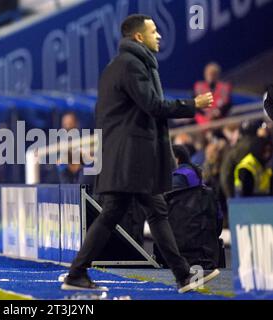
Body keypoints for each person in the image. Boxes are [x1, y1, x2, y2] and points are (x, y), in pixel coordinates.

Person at [61, 14, 219, 293]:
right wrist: (192, 104)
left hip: (124, 156)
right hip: (132, 157)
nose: (159, 36)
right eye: (154, 31)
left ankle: (181, 276)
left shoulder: (119, 65)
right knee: (146, 213)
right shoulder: (132, 65)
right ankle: (182, 276)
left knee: (127, 213)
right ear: (138, 37)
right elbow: (153, 105)